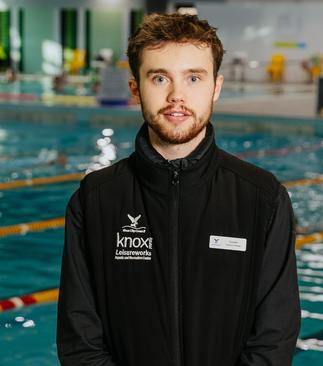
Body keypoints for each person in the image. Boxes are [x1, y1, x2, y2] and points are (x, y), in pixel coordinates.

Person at [57, 13, 300, 366]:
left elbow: (274, 338)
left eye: (193, 78)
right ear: (136, 88)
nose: (176, 96)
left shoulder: (262, 198)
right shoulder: (94, 200)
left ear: (215, 87)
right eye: (159, 78)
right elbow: (80, 340)